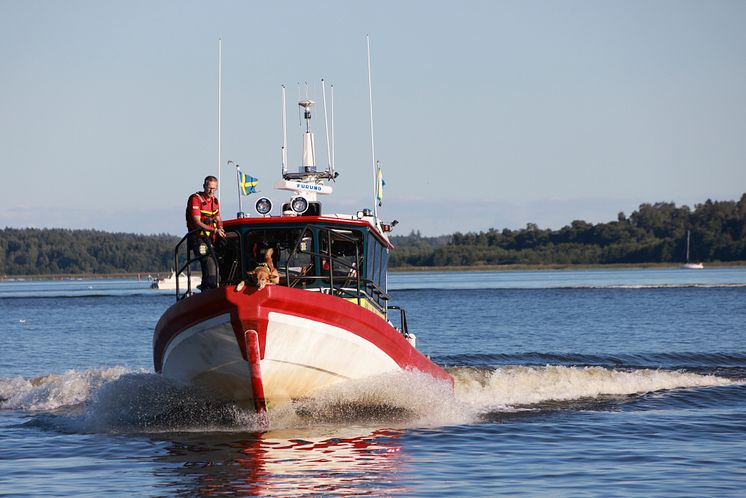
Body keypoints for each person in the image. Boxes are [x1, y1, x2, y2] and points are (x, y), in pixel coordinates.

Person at [186, 176, 225, 290]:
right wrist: (214, 230)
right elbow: (197, 222)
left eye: (214, 188)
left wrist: (220, 228)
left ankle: (212, 285)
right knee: (208, 260)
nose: (211, 191)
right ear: (204, 186)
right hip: (198, 238)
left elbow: (218, 219)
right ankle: (210, 288)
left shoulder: (215, 201)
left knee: (221, 257)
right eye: (209, 188)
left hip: (211, 239)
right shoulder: (195, 199)